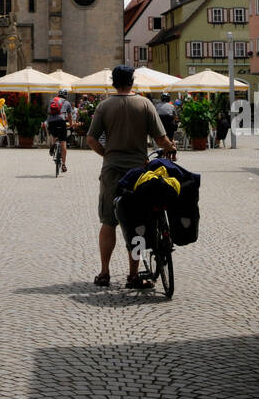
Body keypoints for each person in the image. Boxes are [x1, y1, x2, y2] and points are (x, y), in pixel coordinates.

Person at [87, 63, 177, 290]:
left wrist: (106, 154)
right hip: (138, 172)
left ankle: (105, 272)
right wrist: (171, 147)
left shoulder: (104, 106)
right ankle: (133, 275)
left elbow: (91, 139)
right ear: (132, 81)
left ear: (113, 83)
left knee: (109, 221)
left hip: (112, 170)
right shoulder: (145, 104)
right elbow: (161, 139)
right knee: (136, 222)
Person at [47, 89, 73, 172]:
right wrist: (71, 126)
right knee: (63, 142)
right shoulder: (67, 103)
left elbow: (48, 112)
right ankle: (64, 165)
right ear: (66, 95)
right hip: (61, 121)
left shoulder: (52, 101)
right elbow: (70, 116)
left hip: (51, 121)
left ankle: (53, 145)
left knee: (54, 135)